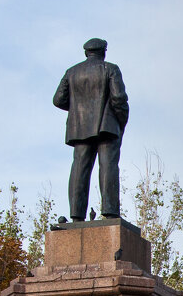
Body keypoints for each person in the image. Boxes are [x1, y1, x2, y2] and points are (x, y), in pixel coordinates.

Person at [54, 38, 130, 221]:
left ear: (86, 53)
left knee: (79, 167)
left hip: (79, 127)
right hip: (107, 125)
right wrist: (121, 121)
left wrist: (79, 108)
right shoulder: (110, 69)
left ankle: (76, 214)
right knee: (108, 165)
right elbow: (118, 98)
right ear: (103, 51)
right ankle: (110, 211)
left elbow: (58, 99)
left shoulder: (71, 72)